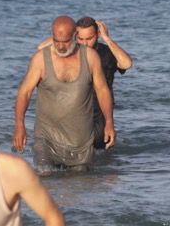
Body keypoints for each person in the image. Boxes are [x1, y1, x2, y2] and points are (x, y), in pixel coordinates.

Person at [15, 15, 116, 170]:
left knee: (81, 182)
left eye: (66, 41)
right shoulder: (40, 60)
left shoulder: (90, 58)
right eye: (57, 41)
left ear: (75, 36)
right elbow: (25, 92)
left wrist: (109, 123)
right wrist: (19, 125)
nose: (61, 46)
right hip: (46, 139)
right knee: (45, 177)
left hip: (81, 143)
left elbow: (102, 90)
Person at [37, 17, 133, 151]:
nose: (85, 43)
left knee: (99, 151)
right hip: (74, 111)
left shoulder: (107, 52)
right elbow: (40, 48)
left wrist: (107, 38)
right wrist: (68, 32)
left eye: (89, 38)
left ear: (97, 35)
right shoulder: (71, 51)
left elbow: (126, 63)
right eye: (81, 39)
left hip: (99, 113)